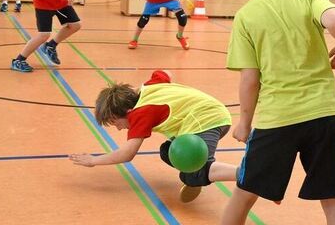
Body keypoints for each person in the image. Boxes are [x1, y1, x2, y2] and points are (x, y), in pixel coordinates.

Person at [217, 0, 335, 225]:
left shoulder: (247, 16)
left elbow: (249, 80)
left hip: (276, 119)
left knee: (242, 196)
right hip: (324, 115)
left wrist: (244, 123)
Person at [69, 69, 238, 203]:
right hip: (205, 116)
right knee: (168, 151)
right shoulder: (147, 87)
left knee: (194, 174)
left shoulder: (140, 113)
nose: (119, 129)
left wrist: (93, 161)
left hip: (209, 120)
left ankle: (245, 173)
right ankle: (199, 174)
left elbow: (127, 154)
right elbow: (165, 72)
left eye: (116, 123)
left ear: (128, 112)